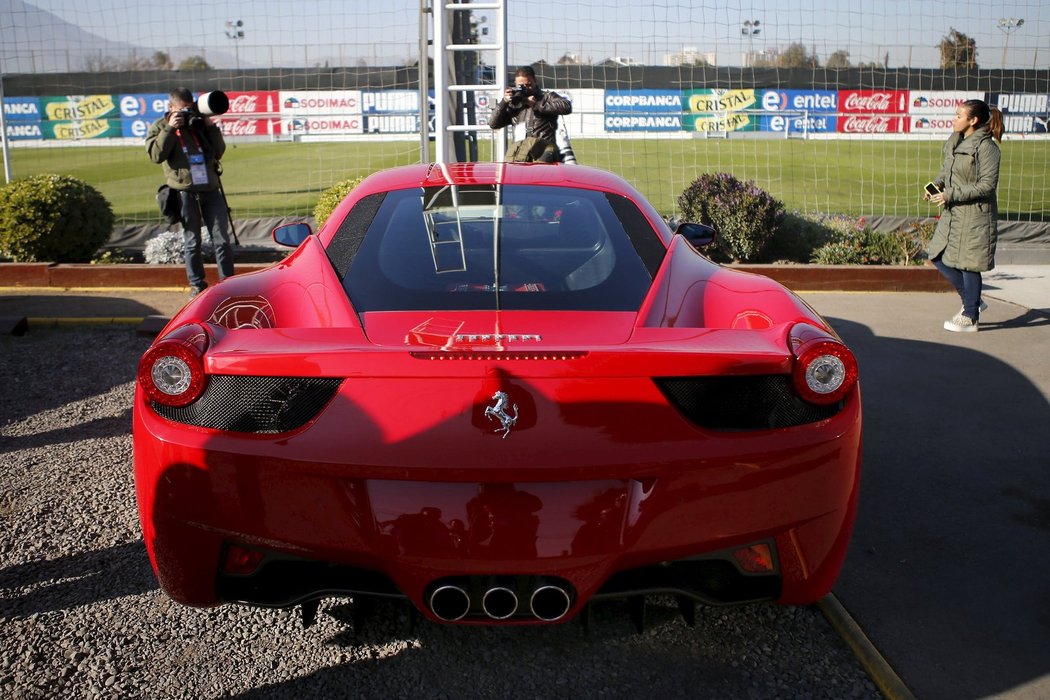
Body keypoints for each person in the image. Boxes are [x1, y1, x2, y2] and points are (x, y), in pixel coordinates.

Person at [146, 87, 234, 296]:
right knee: (192, 241)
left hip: (211, 189)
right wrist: (169, 128)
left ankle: (228, 285)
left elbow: (219, 152)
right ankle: (197, 285)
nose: (187, 113)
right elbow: (156, 156)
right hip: (184, 192)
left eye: (190, 108)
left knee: (222, 239)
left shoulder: (199, 123)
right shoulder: (160, 127)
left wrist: (209, 126)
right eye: (182, 110)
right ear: (171, 108)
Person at [924, 99, 1003, 333]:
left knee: (969, 265)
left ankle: (970, 316)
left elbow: (987, 185)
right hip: (953, 212)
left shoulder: (987, 148)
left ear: (973, 120)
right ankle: (974, 300)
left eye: (958, 115)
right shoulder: (954, 140)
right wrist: (937, 185)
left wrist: (951, 194)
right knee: (936, 255)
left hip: (976, 215)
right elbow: (946, 169)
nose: (954, 118)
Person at [488, 66, 572, 163]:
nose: (525, 88)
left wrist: (536, 105)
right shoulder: (515, 104)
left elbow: (566, 106)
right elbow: (493, 124)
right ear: (515, 84)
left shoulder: (546, 97)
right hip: (520, 154)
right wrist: (504, 102)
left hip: (542, 152)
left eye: (528, 85)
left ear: (535, 81)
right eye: (521, 86)